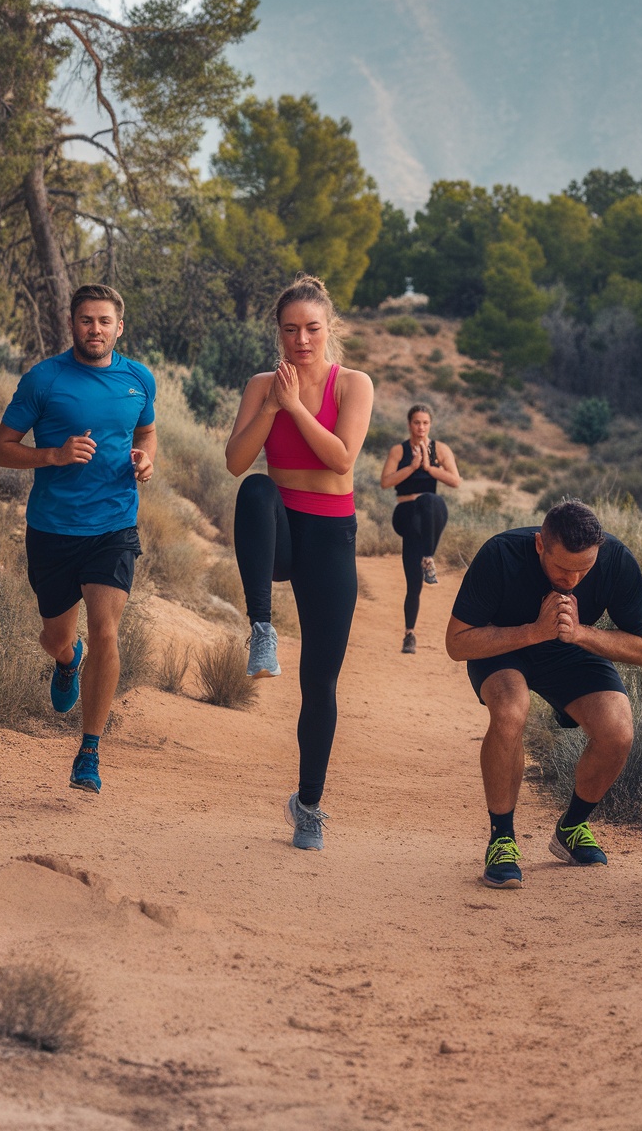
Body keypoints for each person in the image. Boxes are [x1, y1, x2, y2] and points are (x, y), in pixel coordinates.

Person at [225, 275, 373, 852]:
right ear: (278, 332)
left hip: (331, 536)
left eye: (312, 329)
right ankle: (261, 628)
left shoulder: (353, 384)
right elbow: (237, 461)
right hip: (279, 531)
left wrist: (295, 407)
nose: (301, 340)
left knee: (321, 681)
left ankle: (308, 803)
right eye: (290, 330)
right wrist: (271, 405)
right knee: (258, 490)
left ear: (328, 328)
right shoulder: (262, 383)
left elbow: (340, 460)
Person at [0, 284, 156, 795]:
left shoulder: (138, 379)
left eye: (104, 321)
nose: (95, 330)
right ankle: (67, 659)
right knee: (56, 637)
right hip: (53, 530)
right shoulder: (44, 379)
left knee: (108, 630)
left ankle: (89, 750)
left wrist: (146, 459)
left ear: (119, 327)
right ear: (72, 324)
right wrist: (53, 456)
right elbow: (0, 450)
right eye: (86, 320)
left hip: (113, 526)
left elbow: (146, 433)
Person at [445, 499, 642, 889]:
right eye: (562, 567)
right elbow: (457, 644)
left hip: (569, 645)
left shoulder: (616, 561)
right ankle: (502, 839)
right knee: (510, 711)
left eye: (584, 569)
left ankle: (572, 829)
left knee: (617, 730)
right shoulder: (500, 554)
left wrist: (580, 634)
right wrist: (532, 632)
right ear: (541, 544)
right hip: (502, 647)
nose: (572, 579)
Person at [380, 404, 461, 653]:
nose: (421, 427)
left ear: (430, 425)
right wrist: (413, 467)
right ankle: (429, 557)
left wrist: (429, 468)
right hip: (405, 515)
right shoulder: (399, 450)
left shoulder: (440, 449)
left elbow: (455, 481)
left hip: (427, 522)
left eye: (425, 423)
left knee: (414, 582)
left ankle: (409, 636)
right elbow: (385, 482)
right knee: (426, 500)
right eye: (417, 422)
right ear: (409, 424)